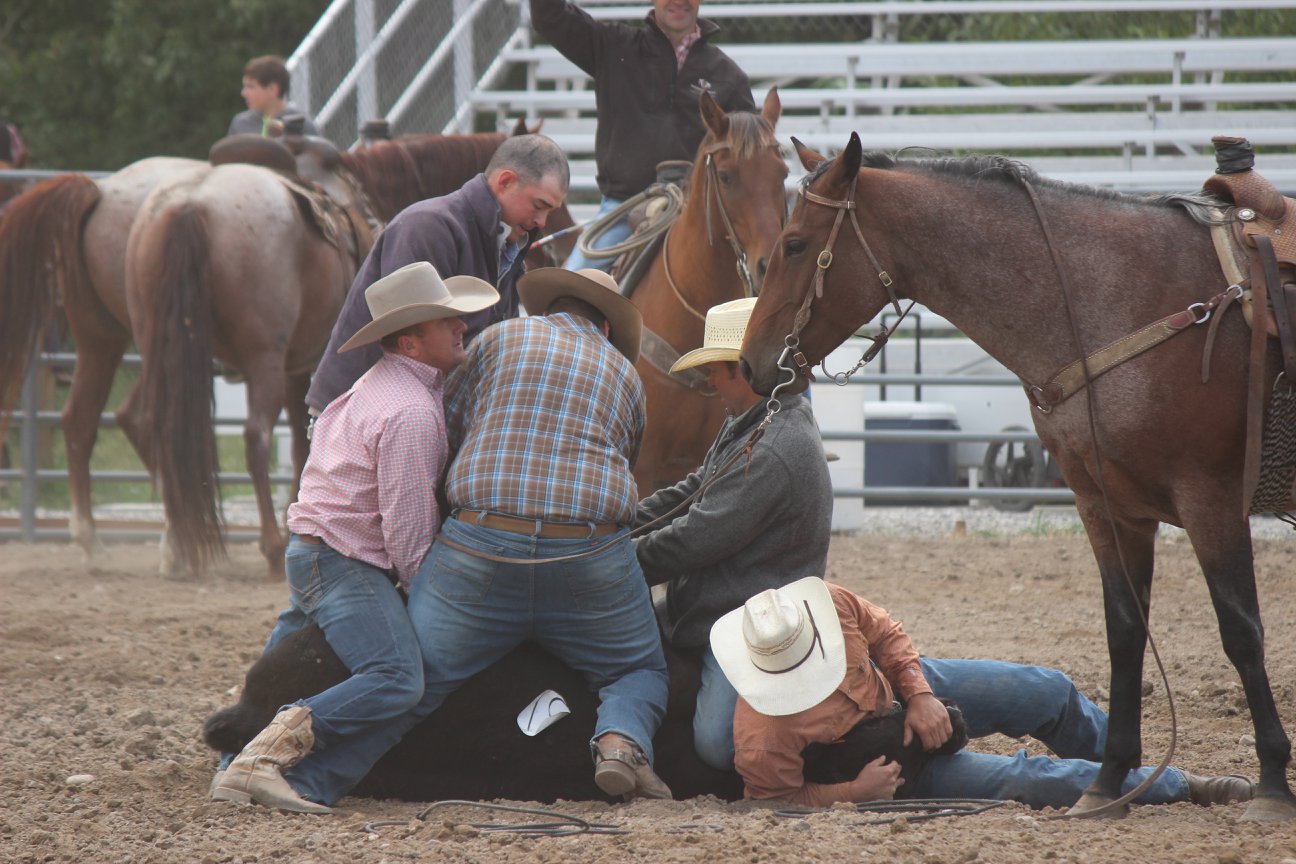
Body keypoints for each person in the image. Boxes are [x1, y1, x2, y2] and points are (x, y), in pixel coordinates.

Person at [211, 262, 499, 814]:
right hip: (345, 561)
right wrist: (429, 595)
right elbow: (408, 532)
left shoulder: (375, 385)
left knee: (288, 658)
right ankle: (268, 757)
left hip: (315, 547)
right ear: (411, 341)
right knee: (397, 677)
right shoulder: (412, 412)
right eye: (446, 321)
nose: (462, 326)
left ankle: (234, 766)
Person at [404, 267, 673, 799]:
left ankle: (329, 750)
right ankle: (620, 743)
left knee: (410, 677)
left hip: (481, 543)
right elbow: (626, 458)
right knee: (639, 668)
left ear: (548, 306)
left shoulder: (495, 339)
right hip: (587, 550)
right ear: (608, 327)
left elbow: (447, 435)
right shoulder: (623, 372)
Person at [711, 577, 1257, 810]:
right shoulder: (762, 734)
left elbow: (885, 634)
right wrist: (855, 791)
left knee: (1047, 691)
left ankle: (1120, 763)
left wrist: (920, 694)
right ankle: (1177, 785)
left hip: (898, 695)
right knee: (1024, 778)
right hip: (883, 767)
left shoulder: (826, 602)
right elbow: (774, 802)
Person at [633, 296, 832, 771]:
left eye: (715, 370)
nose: (708, 381)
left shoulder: (773, 448)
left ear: (743, 370)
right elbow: (691, 490)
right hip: (721, 608)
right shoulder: (752, 423)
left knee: (716, 746)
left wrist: (615, 558)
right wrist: (623, 520)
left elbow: (697, 537)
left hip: (745, 626)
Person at [306, 133, 570, 414]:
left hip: (410, 409)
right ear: (505, 182)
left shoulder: (505, 243)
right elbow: (408, 345)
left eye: (549, 212)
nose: (542, 221)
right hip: (368, 416)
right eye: (539, 206)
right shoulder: (427, 227)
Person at [530, 0, 756, 271]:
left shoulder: (729, 76)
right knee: (573, 287)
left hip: (699, 215)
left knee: (754, 290)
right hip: (623, 209)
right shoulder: (613, 46)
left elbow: (750, 159)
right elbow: (549, 17)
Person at [227, 55, 321, 138]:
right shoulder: (240, 123)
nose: (244, 93)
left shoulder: (301, 125)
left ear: (273, 89)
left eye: (250, 87)